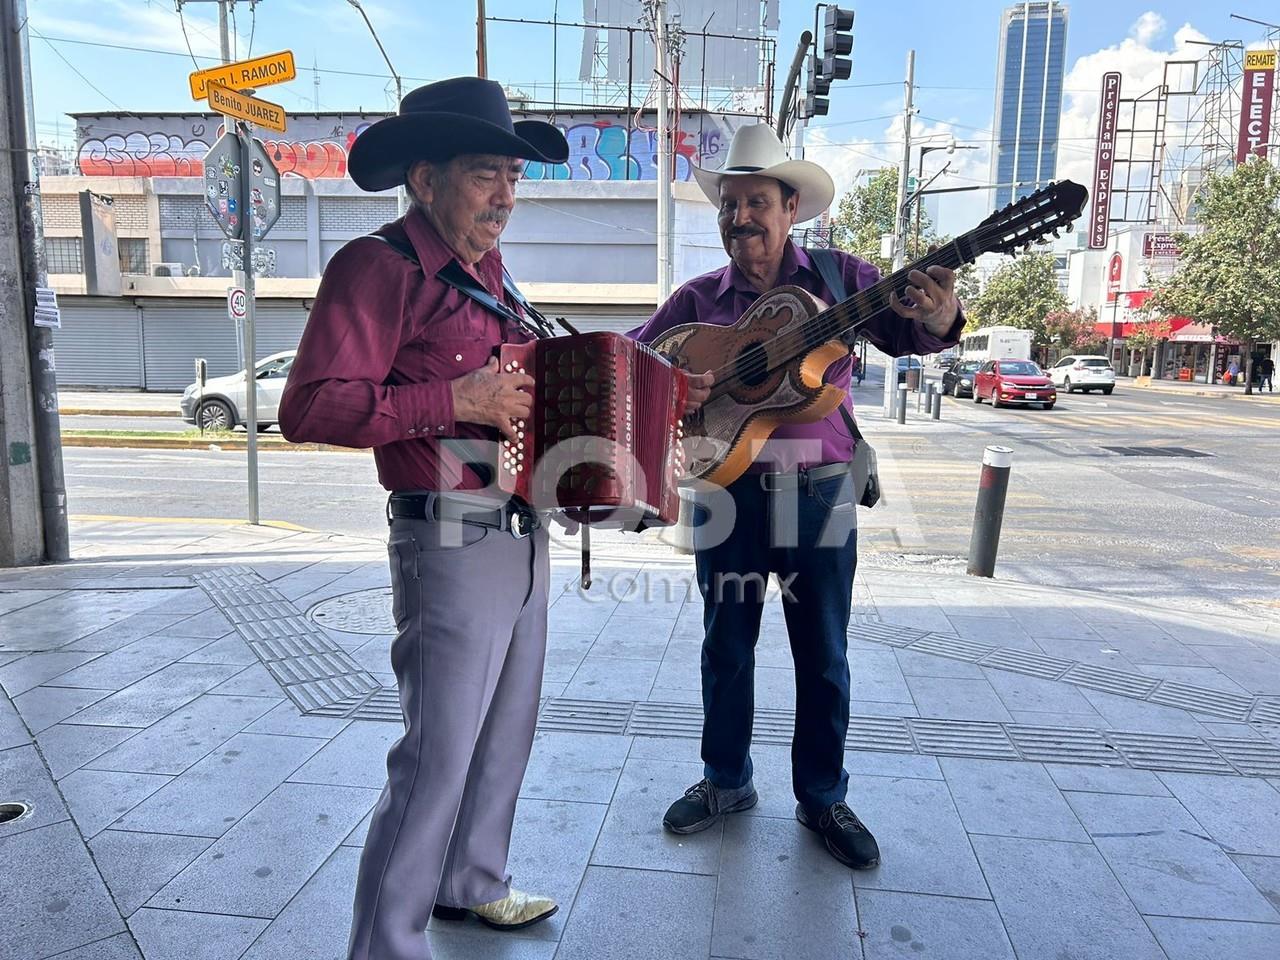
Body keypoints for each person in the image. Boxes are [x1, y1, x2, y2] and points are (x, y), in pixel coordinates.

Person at [278, 77, 570, 960]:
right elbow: (310, 408)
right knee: (436, 756)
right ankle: (385, 944)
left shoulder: (492, 277)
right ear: (425, 177)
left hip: (519, 528)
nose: (506, 197)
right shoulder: (377, 268)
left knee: (504, 731)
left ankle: (471, 884)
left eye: (513, 179)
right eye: (487, 174)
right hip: (445, 531)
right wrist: (456, 399)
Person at [629, 124, 963, 870]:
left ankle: (822, 795)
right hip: (727, 491)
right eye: (728, 205)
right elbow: (637, 360)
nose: (739, 217)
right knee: (726, 646)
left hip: (819, 492)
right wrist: (678, 387)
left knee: (823, 654)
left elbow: (915, 332)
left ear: (790, 208)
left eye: (755, 202)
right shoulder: (697, 300)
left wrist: (939, 317)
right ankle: (725, 781)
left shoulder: (844, 279)